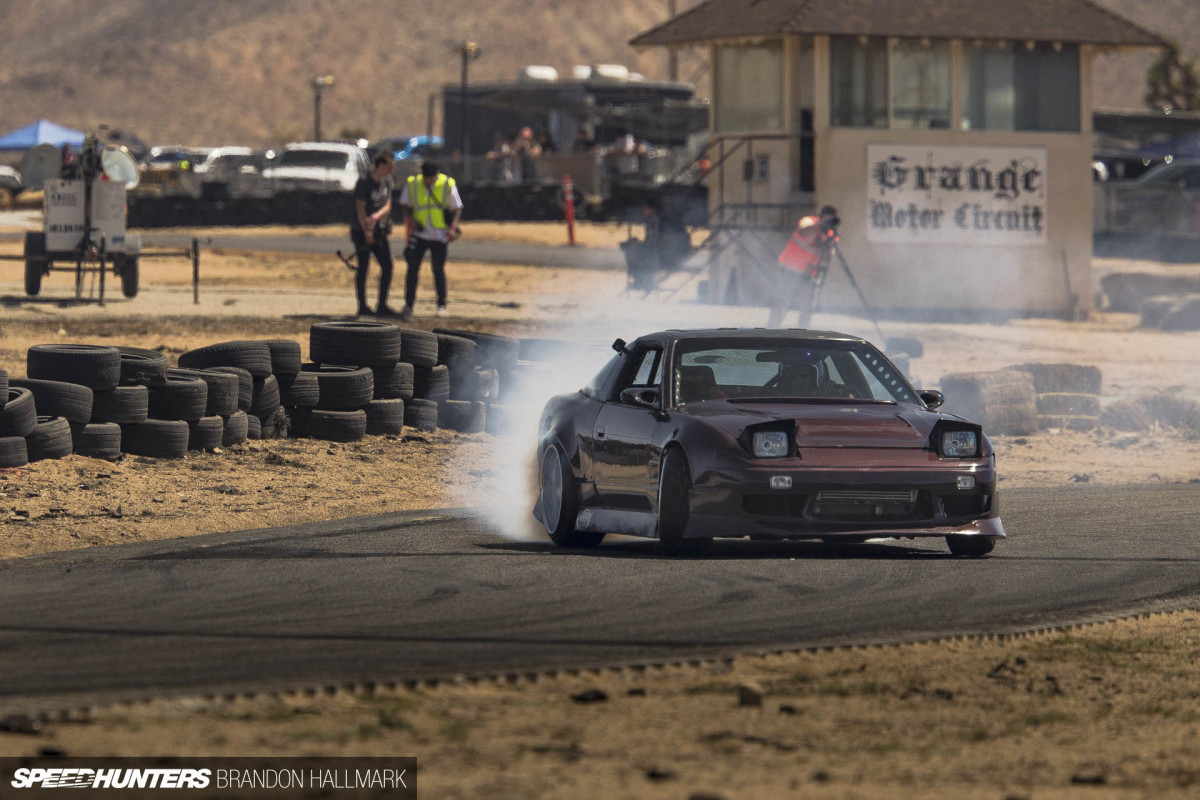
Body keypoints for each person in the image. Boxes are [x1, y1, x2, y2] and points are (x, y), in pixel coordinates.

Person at [399, 161, 463, 319]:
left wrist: (453, 229)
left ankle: (441, 304)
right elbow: (405, 204)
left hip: (440, 235)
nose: (429, 181)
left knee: (438, 269)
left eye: (431, 178)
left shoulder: (447, 183)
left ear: (437, 173)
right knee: (412, 269)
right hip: (419, 235)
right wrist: (411, 220)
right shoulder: (413, 183)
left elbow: (457, 208)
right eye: (426, 178)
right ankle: (408, 304)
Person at [768, 205, 840, 328]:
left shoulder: (831, 233)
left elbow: (827, 257)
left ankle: (803, 330)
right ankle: (772, 327)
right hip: (790, 267)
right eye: (827, 220)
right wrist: (820, 225)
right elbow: (802, 231)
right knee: (782, 299)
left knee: (807, 304)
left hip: (809, 272)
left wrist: (830, 241)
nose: (829, 223)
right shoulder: (810, 221)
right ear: (821, 217)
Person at [350, 149, 397, 317]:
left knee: (387, 265)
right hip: (361, 231)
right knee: (363, 267)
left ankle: (382, 305)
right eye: (390, 167)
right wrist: (367, 231)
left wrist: (376, 217)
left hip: (379, 231)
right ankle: (362, 305)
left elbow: (387, 205)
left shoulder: (387, 181)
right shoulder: (364, 182)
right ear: (381, 165)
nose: (391, 170)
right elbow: (360, 208)